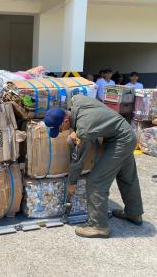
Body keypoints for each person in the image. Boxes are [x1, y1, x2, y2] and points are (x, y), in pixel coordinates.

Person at [44, 95, 144, 238]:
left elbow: (78, 160)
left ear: (66, 120)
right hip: (126, 134)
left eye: (60, 129)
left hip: (120, 141)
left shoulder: (84, 130)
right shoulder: (77, 101)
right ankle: (134, 214)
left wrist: (72, 182)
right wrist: (75, 128)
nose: (61, 132)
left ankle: (98, 226)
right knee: (127, 176)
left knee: (96, 182)